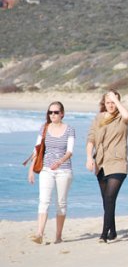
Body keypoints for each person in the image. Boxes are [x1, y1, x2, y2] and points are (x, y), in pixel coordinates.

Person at [86, 91, 128, 243]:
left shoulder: (122, 118)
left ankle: (104, 234)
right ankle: (113, 231)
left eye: (113, 102)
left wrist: (116, 99)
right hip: (101, 163)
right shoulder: (98, 118)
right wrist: (88, 158)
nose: (111, 105)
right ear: (103, 103)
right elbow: (91, 138)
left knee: (110, 197)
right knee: (106, 200)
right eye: (108, 102)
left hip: (118, 163)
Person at [28, 101, 75, 244]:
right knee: (44, 201)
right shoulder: (44, 128)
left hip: (64, 170)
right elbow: (37, 149)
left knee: (61, 203)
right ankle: (39, 233)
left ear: (62, 114)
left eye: (55, 112)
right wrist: (31, 170)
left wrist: (59, 162)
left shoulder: (69, 129)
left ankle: (58, 236)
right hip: (46, 169)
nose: (52, 115)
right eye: (50, 112)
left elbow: (70, 151)